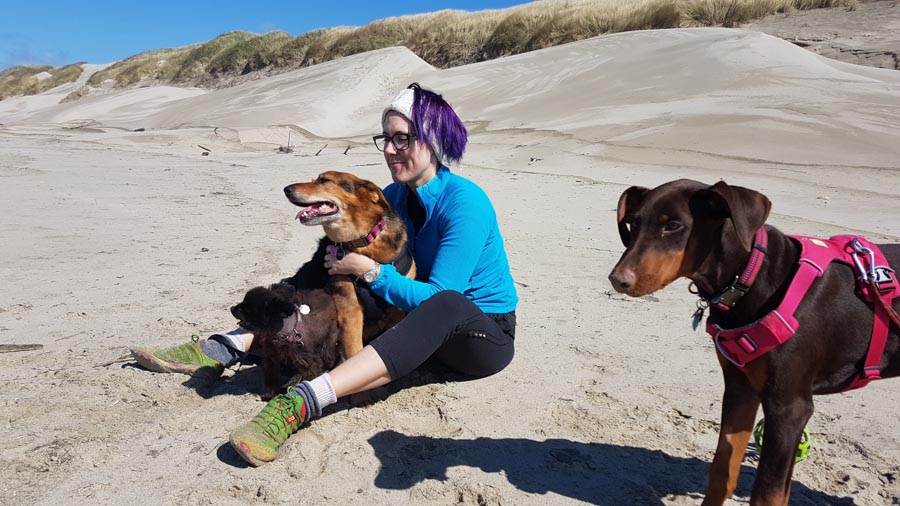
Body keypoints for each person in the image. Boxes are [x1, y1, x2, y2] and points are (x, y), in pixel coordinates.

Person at [133, 83, 518, 466]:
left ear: (432, 140)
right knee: (330, 264)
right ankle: (226, 345)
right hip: (414, 323)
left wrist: (369, 271)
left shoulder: (464, 202)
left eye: (402, 139)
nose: (389, 150)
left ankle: (304, 401)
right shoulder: (394, 196)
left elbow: (437, 297)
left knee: (442, 302)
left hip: (478, 335)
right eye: (384, 139)